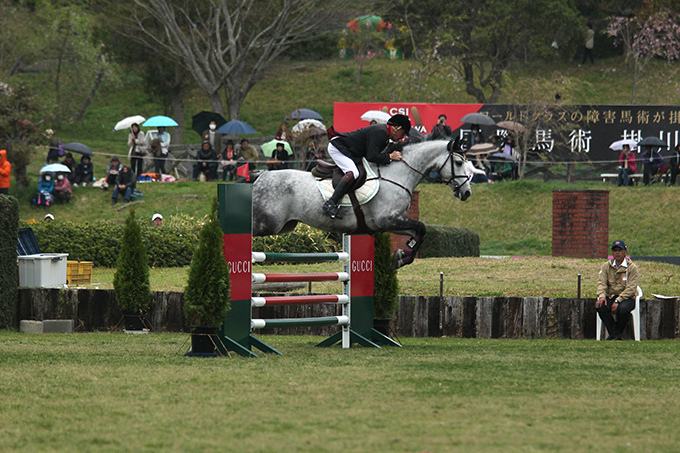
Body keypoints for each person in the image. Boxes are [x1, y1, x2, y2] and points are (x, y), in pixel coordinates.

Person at [322, 113, 410, 219]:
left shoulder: (384, 134)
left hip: (351, 151)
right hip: (339, 148)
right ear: (396, 128)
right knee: (354, 173)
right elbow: (371, 156)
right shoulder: (380, 132)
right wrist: (390, 156)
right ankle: (331, 202)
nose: (402, 136)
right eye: (403, 133)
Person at [595, 240, 640, 340]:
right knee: (600, 306)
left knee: (622, 309)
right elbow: (601, 283)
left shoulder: (632, 268)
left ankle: (614, 334)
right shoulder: (606, 266)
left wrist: (618, 300)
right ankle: (616, 335)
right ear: (612, 253)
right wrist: (602, 296)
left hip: (626, 297)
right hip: (611, 295)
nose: (617, 253)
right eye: (615, 250)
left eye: (620, 250)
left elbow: (631, 288)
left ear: (625, 252)